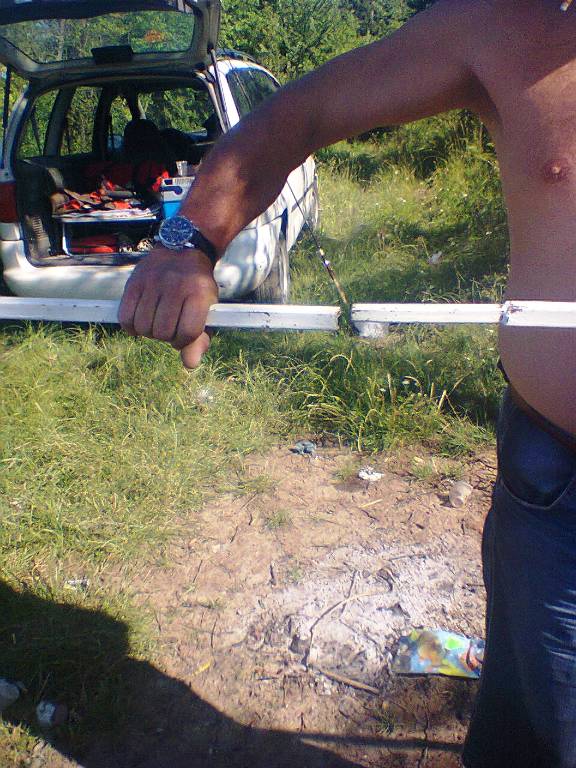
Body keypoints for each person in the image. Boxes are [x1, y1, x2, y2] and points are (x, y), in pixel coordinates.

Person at [119, 1, 576, 764]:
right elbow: (300, 111)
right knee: (537, 730)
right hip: (554, 484)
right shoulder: (505, 22)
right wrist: (184, 240)